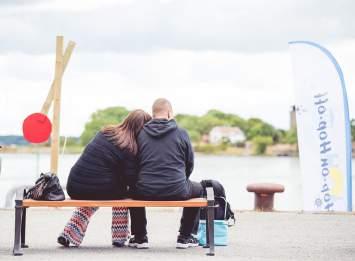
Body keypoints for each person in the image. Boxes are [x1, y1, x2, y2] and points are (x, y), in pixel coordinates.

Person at [57, 109, 152, 247]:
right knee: (125, 194)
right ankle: (119, 237)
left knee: (97, 196)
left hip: (74, 186)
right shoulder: (130, 147)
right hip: (97, 188)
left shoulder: (106, 132)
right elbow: (131, 180)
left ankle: (68, 233)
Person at [129, 98, 203, 249]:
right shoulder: (181, 133)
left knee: (132, 191)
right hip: (177, 189)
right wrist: (181, 180)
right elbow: (190, 164)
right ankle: (185, 237)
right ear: (169, 113)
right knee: (199, 190)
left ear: (153, 114)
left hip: (144, 190)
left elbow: (134, 165)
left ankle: (140, 238)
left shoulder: (140, 134)